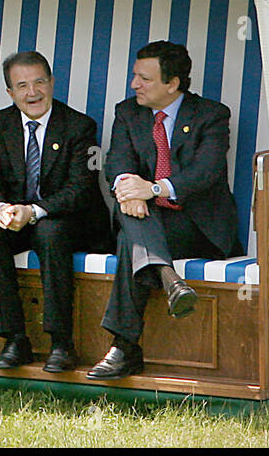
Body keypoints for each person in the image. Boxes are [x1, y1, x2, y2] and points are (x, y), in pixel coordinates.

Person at [87, 41, 242, 380]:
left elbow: (207, 171)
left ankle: (125, 348)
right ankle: (170, 282)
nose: (134, 85)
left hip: (196, 227)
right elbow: (117, 163)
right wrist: (129, 188)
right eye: (134, 76)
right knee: (132, 217)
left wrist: (153, 188)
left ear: (172, 84)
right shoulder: (128, 112)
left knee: (132, 235)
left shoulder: (212, 115)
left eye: (144, 78)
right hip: (147, 219)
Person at [0, 50, 109, 373]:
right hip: (17, 218)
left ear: (52, 83)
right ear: (10, 92)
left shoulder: (79, 126)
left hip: (70, 220)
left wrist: (33, 211)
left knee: (49, 232)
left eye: (39, 83)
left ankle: (61, 343)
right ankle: (14, 339)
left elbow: (81, 189)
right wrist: (2, 209)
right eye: (22, 86)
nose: (32, 93)